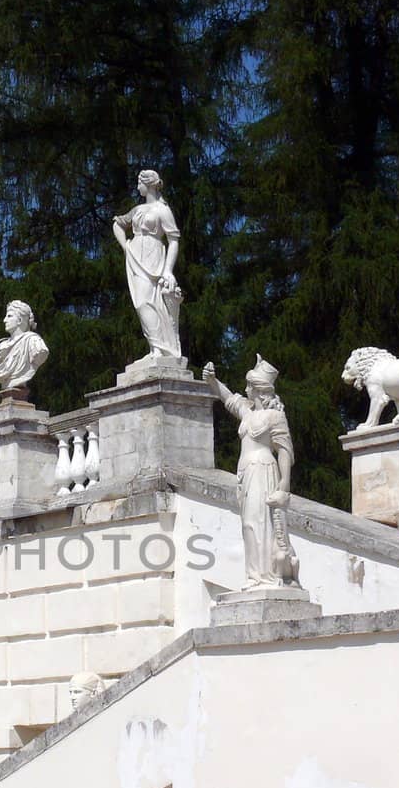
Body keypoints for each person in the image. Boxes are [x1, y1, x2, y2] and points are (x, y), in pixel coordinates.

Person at [202, 356, 299, 589]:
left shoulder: (275, 416)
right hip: (245, 474)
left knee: (261, 523)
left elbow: (284, 451)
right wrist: (213, 382)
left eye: (249, 386)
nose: (245, 389)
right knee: (249, 525)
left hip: (263, 470)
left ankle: (268, 575)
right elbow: (228, 398)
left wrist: (284, 484)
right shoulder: (247, 412)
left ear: (258, 389)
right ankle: (254, 575)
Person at [112, 169, 183, 359]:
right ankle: (155, 347)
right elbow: (117, 224)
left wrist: (168, 270)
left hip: (154, 255)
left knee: (150, 300)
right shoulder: (138, 209)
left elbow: (173, 240)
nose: (137, 187)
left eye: (139, 183)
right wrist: (126, 248)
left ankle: (160, 348)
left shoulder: (162, 210)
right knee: (141, 302)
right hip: (135, 256)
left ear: (148, 184)